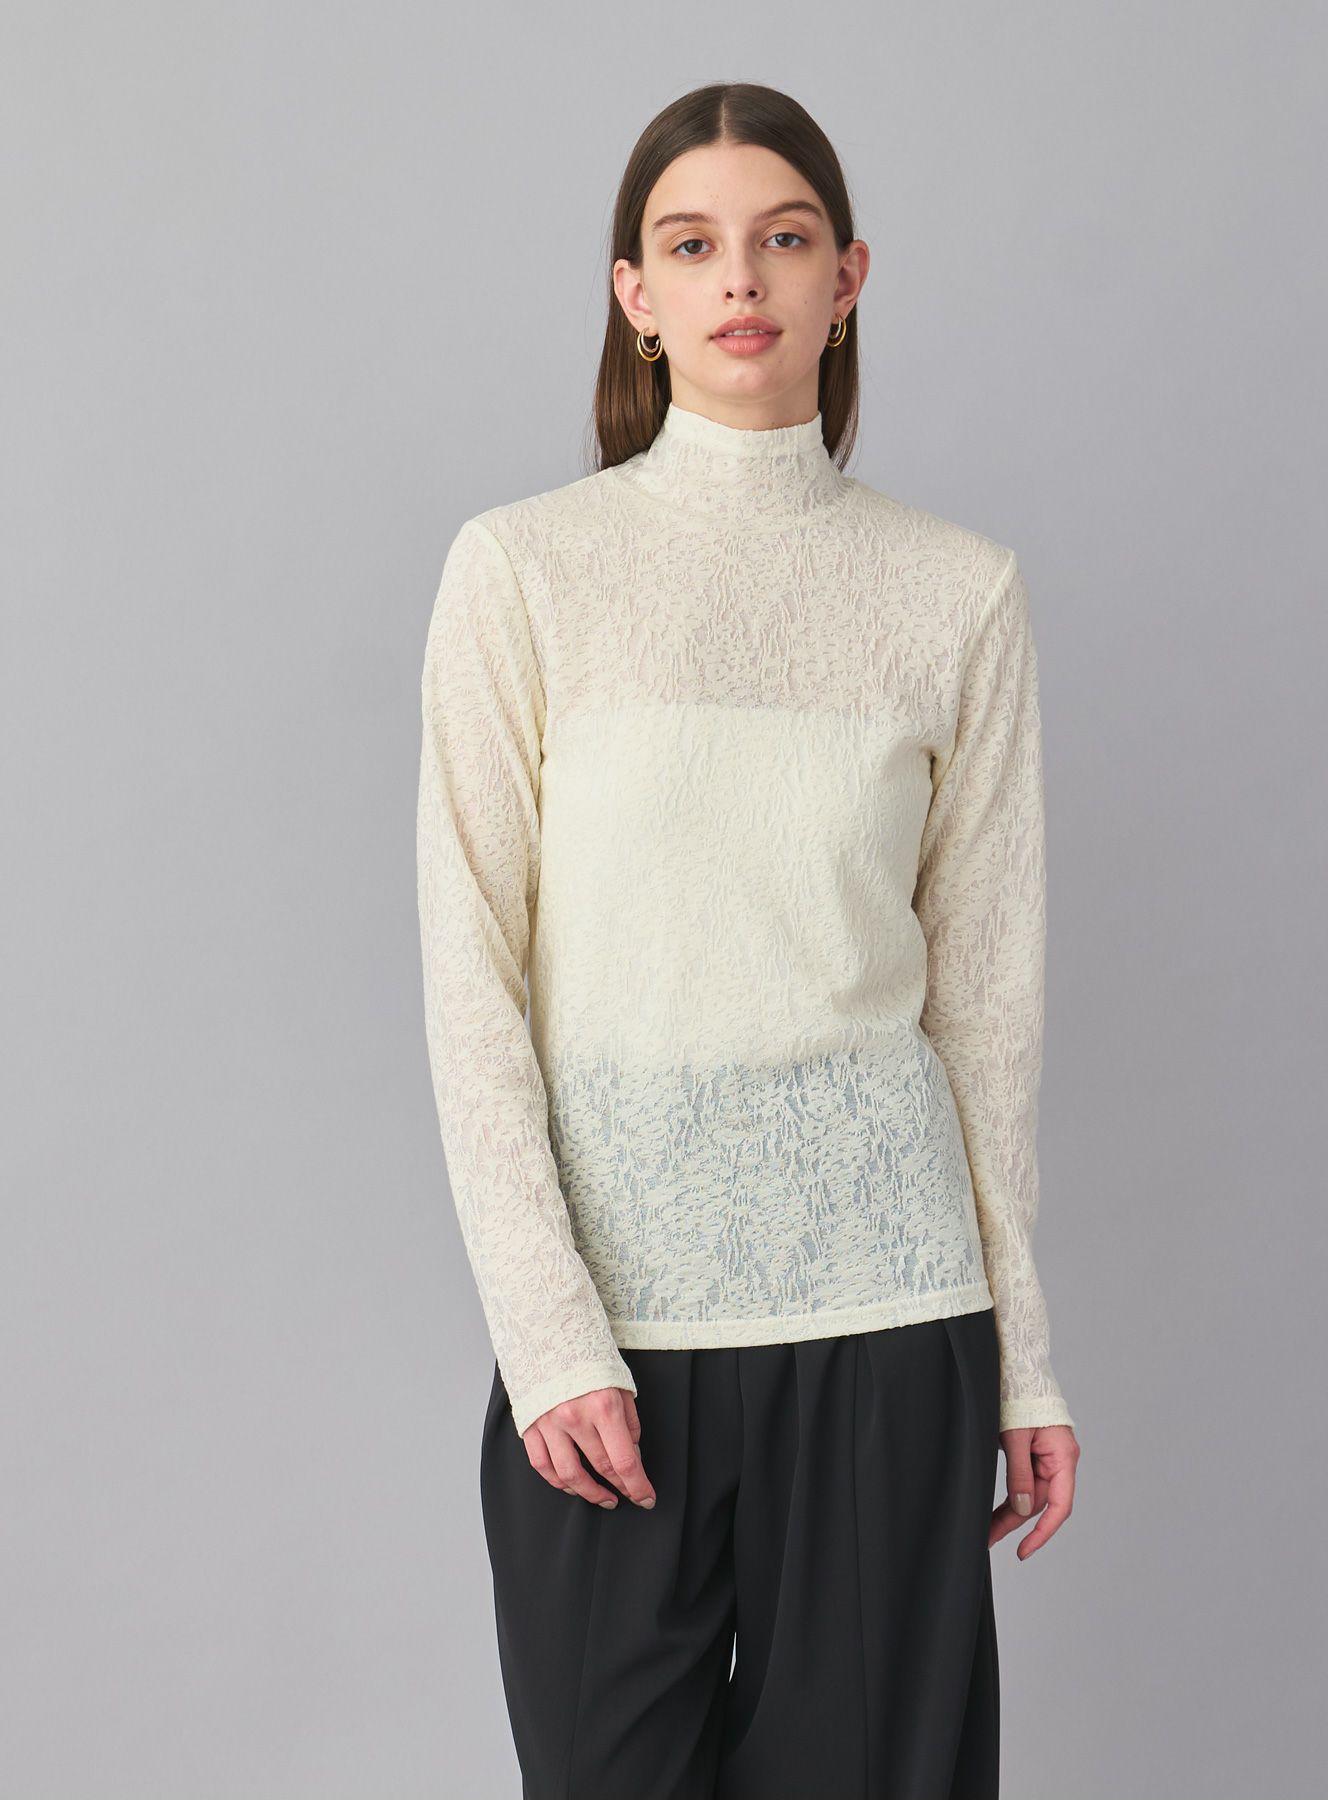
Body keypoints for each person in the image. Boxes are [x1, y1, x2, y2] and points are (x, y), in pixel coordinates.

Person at [415, 80, 1080, 1799]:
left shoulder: (958, 592)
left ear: (847, 278)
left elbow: (989, 1009)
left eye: (784, 240)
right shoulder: (524, 573)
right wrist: (549, 1335)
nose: (742, 279)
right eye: (693, 244)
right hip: (614, 1337)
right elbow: (473, 984)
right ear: (633, 292)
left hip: (891, 1320)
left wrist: (1025, 1360)